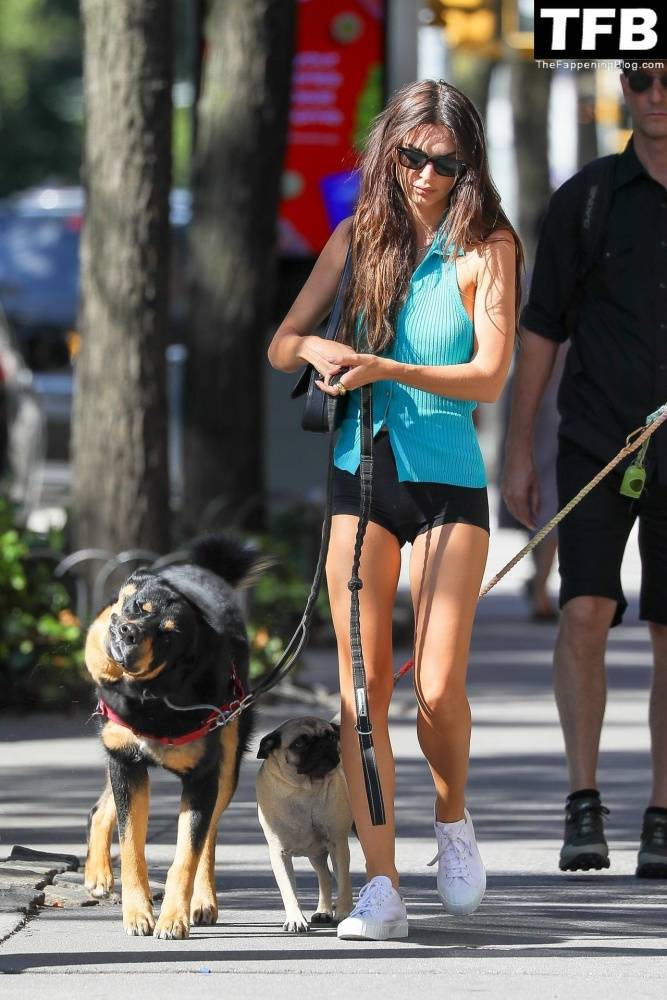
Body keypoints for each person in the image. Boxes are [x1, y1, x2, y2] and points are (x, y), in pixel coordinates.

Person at [268, 79, 521, 940]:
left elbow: (488, 377)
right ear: (389, 152)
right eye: (411, 157)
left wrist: (390, 371)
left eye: (444, 162)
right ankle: (379, 886)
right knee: (359, 694)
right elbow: (279, 345)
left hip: (447, 473)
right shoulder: (353, 238)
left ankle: (450, 821)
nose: (424, 174)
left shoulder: (487, 248)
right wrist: (318, 345)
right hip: (359, 473)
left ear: (466, 165)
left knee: (438, 685)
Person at [501, 62, 667, 878]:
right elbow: (540, 331)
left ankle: (662, 815)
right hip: (596, 443)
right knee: (584, 613)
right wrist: (516, 450)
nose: (656, 94)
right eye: (641, 79)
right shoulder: (588, 199)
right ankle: (582, 801)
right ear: (623, 91)